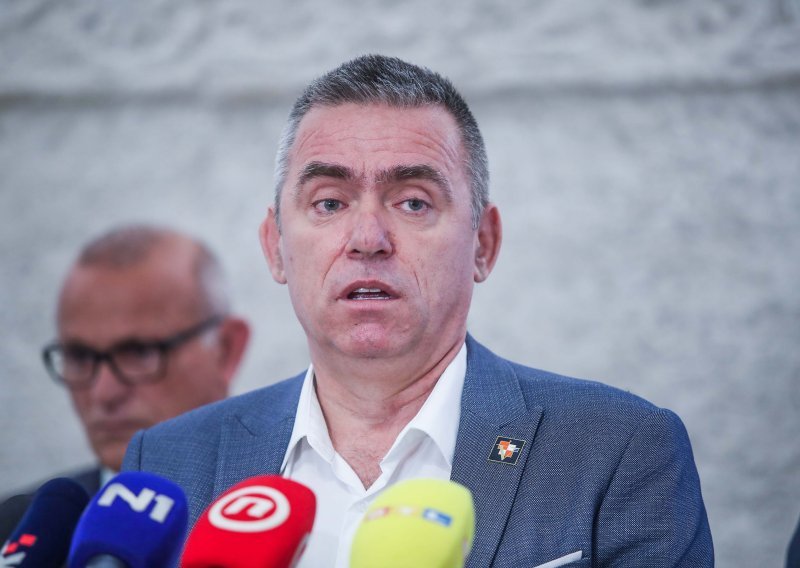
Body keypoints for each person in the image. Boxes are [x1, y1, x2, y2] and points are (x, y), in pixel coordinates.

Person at [123, 55, 713, 567]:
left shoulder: (617, 448)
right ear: (276, 246)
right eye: (329, 203)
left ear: (483, 244)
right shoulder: (167, 465)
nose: (368, 239)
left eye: (412, 202)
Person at [0, 225, 250, 543]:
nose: (103, 393)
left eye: (139, 352)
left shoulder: (301, 520)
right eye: (79, 356)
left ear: (226, 349)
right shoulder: (18, 536)